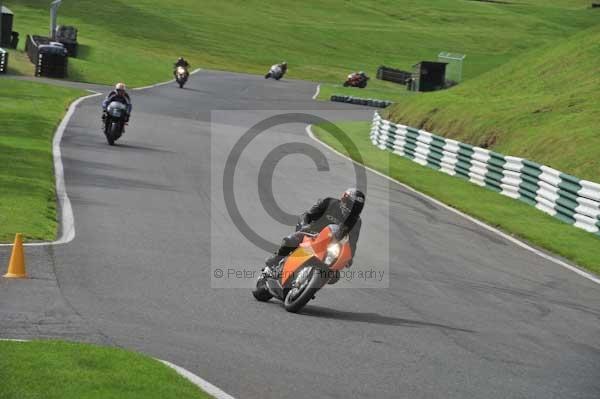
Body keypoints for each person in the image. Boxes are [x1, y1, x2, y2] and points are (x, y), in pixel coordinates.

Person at [264, 188, 365, 281]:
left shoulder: (356, 221)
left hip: (329, 244)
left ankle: (307, 285)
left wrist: (349, 258)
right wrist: (304, 225)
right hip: (311, 233)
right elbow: (308, 215)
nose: (352, 209)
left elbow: (353, 241)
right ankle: (275, 260)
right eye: (351, 205)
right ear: (344, 200)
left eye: (356, 207)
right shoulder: (329, 202)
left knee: (334, 275)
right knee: (291, 240)